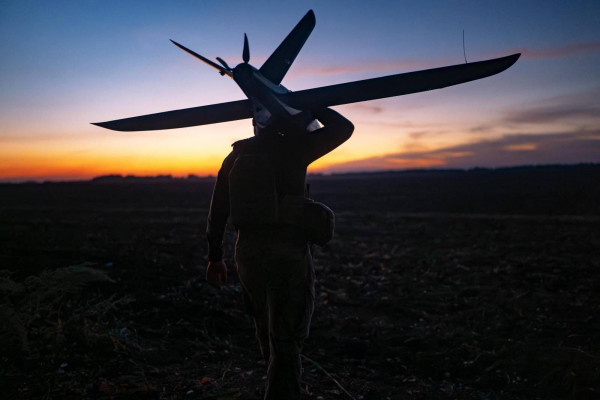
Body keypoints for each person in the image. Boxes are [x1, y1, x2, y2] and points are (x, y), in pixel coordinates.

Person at [205, 107, 353, 399]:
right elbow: (343, 128)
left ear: (255, 124)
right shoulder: (296, 148)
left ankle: (283, 385)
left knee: (265, 326)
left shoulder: (235, 156)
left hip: (247, 253)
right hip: (287, 252)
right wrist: (312, 104)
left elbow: (218, 209)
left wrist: (214, 257)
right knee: (287, 335)